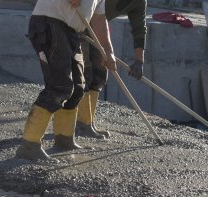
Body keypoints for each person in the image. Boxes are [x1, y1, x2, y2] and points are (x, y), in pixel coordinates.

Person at [16, 0, 117, 161]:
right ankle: (29, 145)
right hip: (49, 23)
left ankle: (64, 139)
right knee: (60, 86)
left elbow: (99, 19)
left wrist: (108, 51)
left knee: (78, 88)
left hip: (70, 31)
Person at [76, 0, 147, 139]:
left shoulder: (139, 2)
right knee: (85, 74)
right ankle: (80, 125)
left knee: (100, 75)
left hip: (97, 27)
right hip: (77, 23)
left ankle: (88, 122)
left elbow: (139, 28)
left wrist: (139, 60)